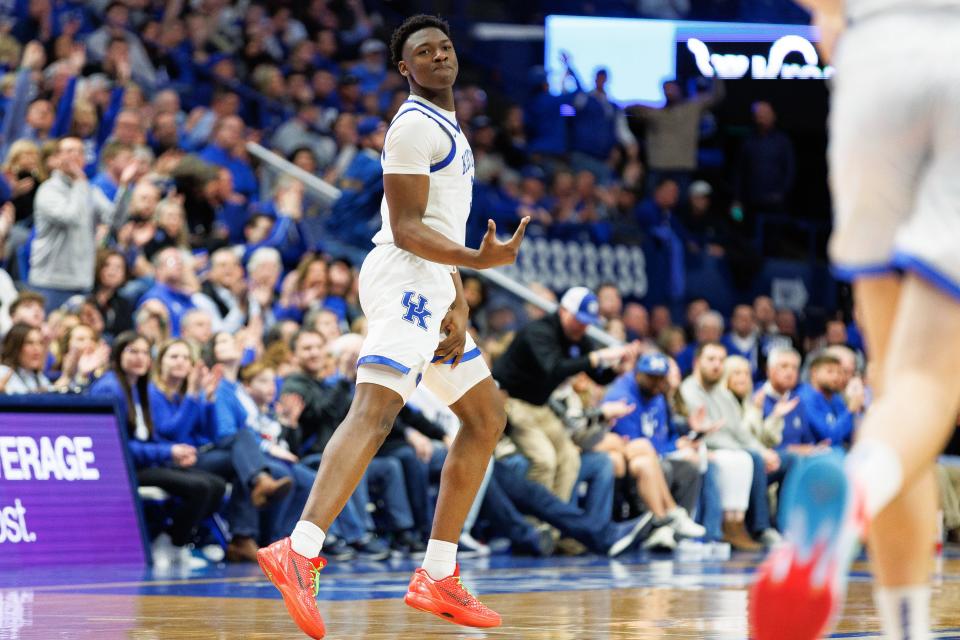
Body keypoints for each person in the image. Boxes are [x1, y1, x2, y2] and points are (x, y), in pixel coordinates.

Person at [256, 15, 531, 638]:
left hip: (433, 284)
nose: (439, 56)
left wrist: (457, 302)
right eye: (423, 52)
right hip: (405, 275)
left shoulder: (449, 126)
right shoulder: (411, 126)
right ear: (404, 68)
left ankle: (437, 573)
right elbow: (408, 229)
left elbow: (440, 224)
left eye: (445, 46)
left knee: (485, 417)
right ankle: (298, 551)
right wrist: (476, 264)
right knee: (376, 411)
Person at [751, 2, 960, 638]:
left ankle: (906, 628)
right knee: (929, 385)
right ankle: (850, 504)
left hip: (872, 58)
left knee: (900, 399)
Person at [91, 332, 224, 569]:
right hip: (124, 468)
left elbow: (149, 436)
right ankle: (169, 541)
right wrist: (167, 452)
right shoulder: (111, 388)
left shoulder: (136, 387)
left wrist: (172, 451)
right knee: (200, 487)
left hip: (144, 462)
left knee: (215, 485)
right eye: (132, 351)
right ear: (118, 355)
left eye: (144, 352)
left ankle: (177, 543)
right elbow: (116, 445)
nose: (139, 358)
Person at [493, 286, 637, 502]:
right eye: (579, 319)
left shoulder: (578, 337)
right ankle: (533, 527)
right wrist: (597, 357)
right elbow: (553, 368)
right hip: (511, 402)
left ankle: (557, 525)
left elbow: (598, 376)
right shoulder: (539, 332)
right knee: (545, 460)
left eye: (587, 321)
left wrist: (617, 369)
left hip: (540, 406)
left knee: (570, 458)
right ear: (563, 311)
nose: (583, 326)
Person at [0, 322, 51, 394]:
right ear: (15, 347)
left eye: (40, 343)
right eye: (29, 342)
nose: (37, 348)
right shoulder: (3, 372)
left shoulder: (38, 377)